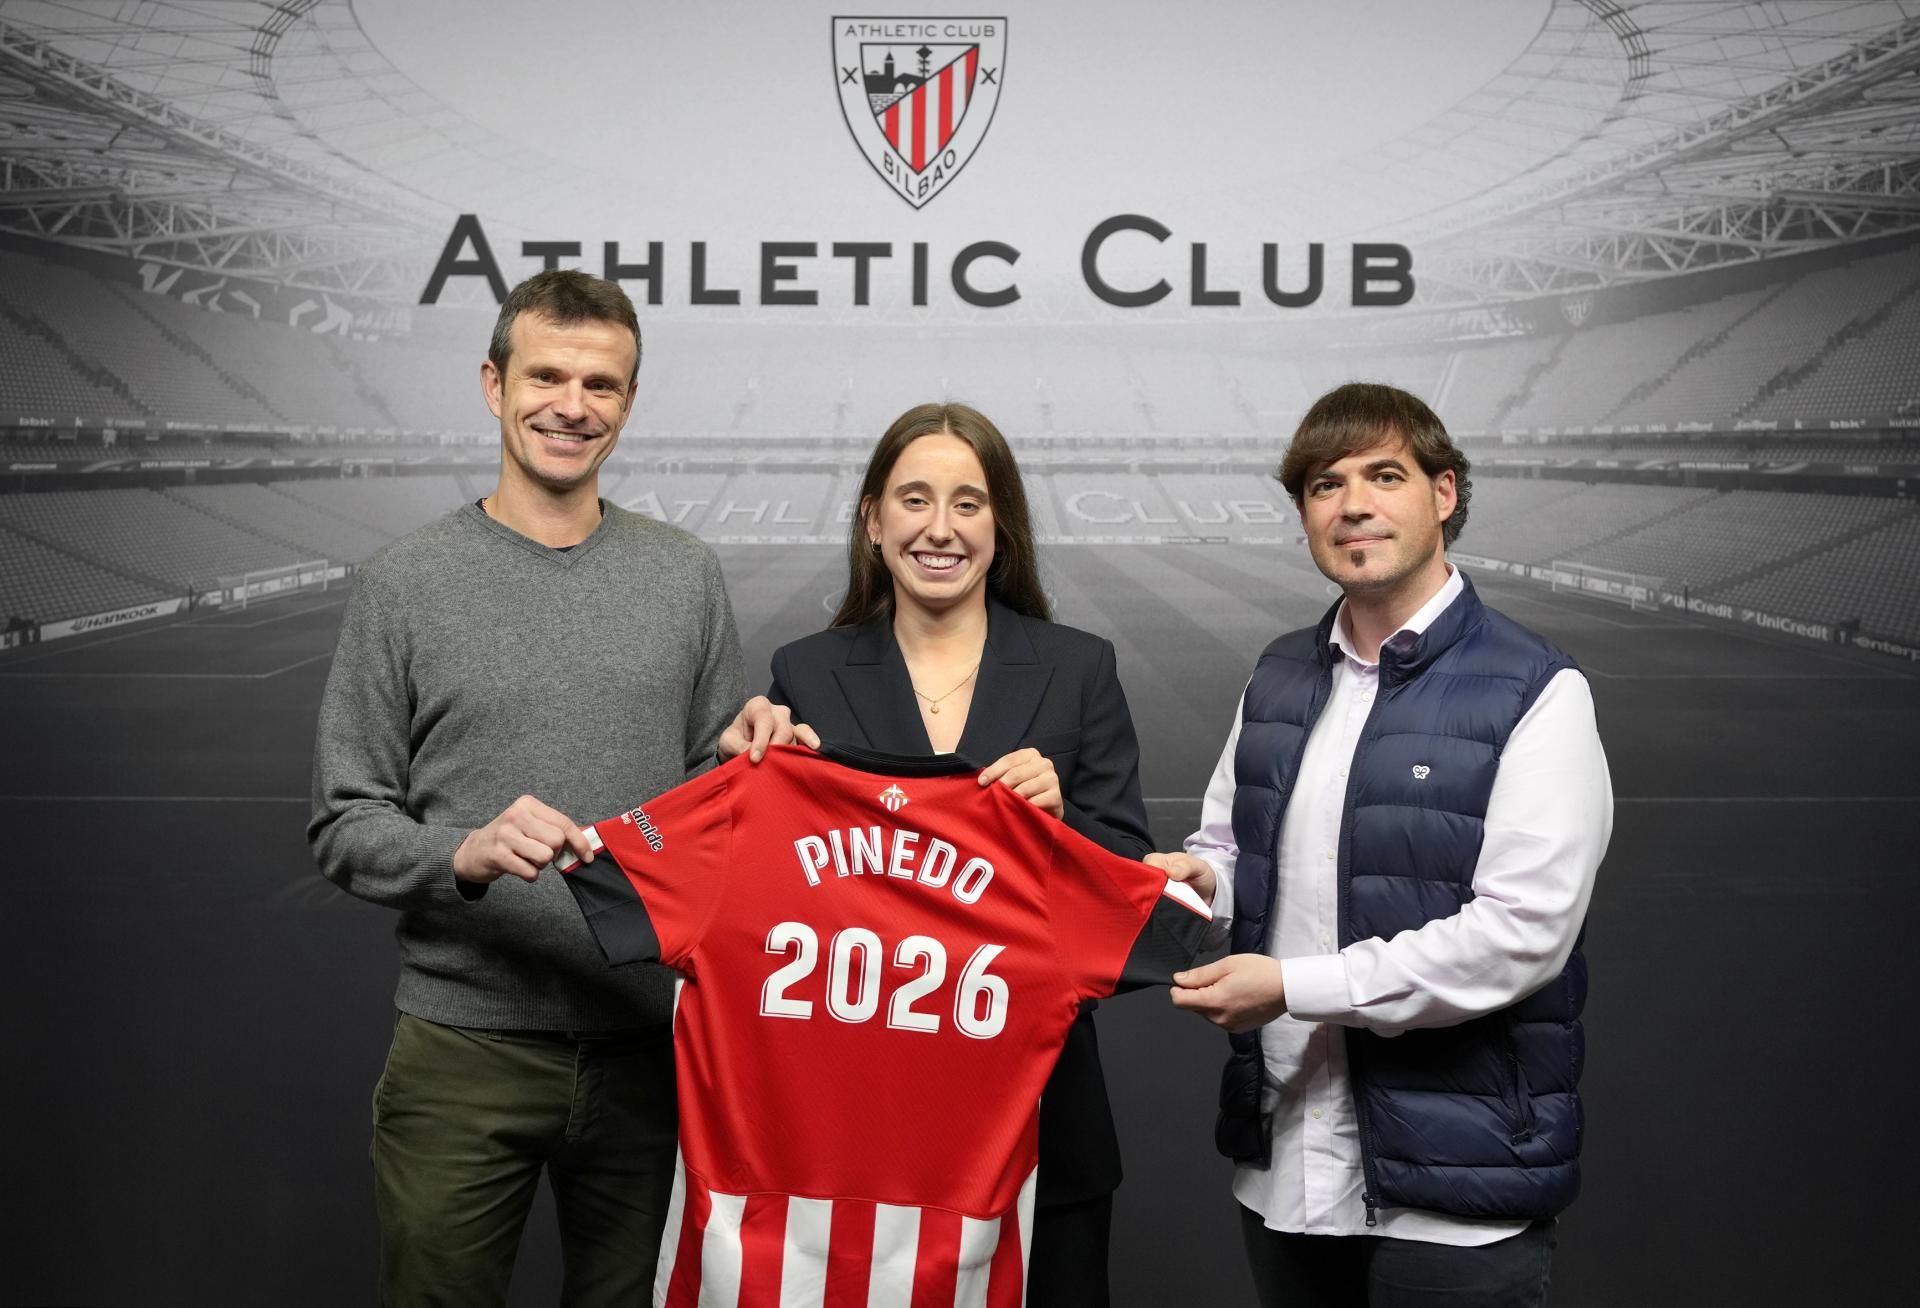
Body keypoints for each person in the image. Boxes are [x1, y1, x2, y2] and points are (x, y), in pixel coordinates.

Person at [309, 269, 760, 1306]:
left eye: (601, 384)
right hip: (464, 1055)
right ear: (492, 385)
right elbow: (343, 823)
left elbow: (711, 803)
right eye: (547, 375)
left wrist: (756, 755)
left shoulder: (686, 573)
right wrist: (458, 851)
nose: (573, 404)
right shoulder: (404, 582)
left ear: (629, 402)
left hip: (652, 1050)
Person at [1155, 382, 1612, 1307]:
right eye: (1326, 484)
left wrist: (1290, 986)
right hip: (1285, 1176)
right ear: (1304, 514)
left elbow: (1519, 936)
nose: (1353, 503)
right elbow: (1236, 853)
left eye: (1384, 475)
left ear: (1443, 494)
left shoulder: (1539, 690)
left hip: (1457, 1198)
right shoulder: (1279, 672)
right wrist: (1200, 880)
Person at [720, 401, 1153, 1306]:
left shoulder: (1080, 670)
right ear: (874, 521)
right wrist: (743, 777)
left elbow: (1129, 906)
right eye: (915, 500)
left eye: (969, 502)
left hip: (1041, 1129)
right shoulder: (805, 674)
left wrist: (1061, 824)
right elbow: (750, 896)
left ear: (1002, 528)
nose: (941, 527)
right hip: (849, 1140)